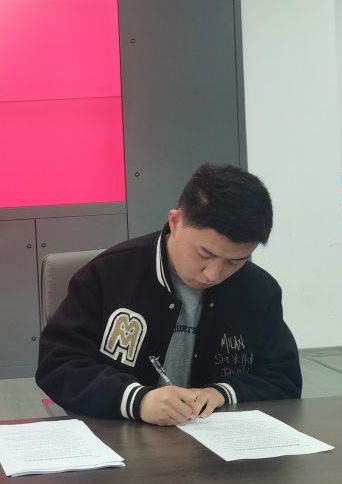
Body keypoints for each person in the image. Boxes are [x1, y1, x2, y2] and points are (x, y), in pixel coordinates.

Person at [36, 163, 301, 426]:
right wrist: (138, 400)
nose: (213, 274)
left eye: (234, 262)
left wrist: (222, 393)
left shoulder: (258, 291)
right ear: (175, 222)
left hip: (213, 439)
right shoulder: (108, 274)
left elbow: (283, 379)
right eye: (204, 254)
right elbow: (58, 365)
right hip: (119, 432)